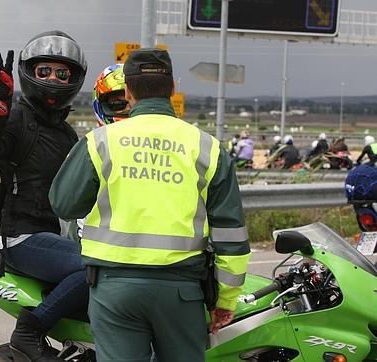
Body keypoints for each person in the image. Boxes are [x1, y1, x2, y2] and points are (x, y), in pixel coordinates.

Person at [50, 48, 250, 362]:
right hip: (182, 292)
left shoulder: (100, 141)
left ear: (128, 91)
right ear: (173, 89)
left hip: (114, 291)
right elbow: (232, 238)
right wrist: (225, 301)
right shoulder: (208, 148)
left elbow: (63, 204)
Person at [0, 30, 87, 361]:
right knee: (96, 268)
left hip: (52, 236)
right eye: (43, 71)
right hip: (22, 236)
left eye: (62, 73)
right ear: (28, 73)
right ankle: (29, 332)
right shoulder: (17, 117)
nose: (52, 79)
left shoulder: (66, 133)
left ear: (74, 78)